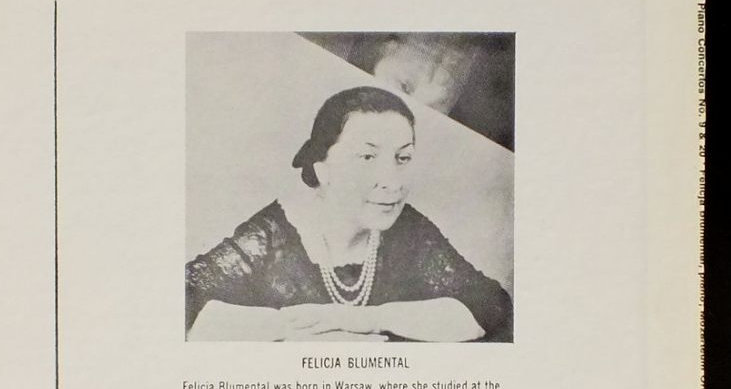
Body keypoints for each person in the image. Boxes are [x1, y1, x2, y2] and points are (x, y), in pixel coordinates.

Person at [186, 86, 512, 342]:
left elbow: (490, 305)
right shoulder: (271, 236)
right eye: (367, 157)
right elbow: (183, 305)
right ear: (322, 167)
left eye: (403, 158)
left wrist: (366, 319)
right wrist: (290, 331)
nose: (392, 182)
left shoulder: (409, 230)